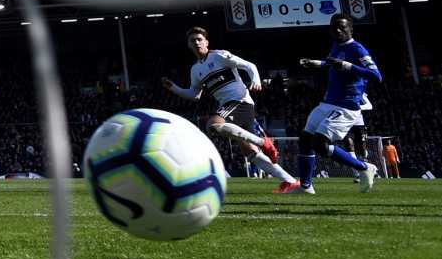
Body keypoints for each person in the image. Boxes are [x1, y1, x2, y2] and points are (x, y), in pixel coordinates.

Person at [160, 26, 300, 193]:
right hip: (230, 105)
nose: (196, 42)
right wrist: (173, 88)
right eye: (193, 40)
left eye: (199, 39)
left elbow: (249, 65)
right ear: (189, 45)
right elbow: (194, 95)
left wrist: (255, 79)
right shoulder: (196, 70)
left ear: (206, 42)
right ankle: (290, 181)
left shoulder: (219, 55)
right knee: (249, 151)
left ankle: (264, 142)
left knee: (213, 124)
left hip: (240, 101)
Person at [288, 14, 381, 194]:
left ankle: (364, 167)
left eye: (342, 27)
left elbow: (376, 76)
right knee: (305, 140)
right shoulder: (337, 46)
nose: (338, 31)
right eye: (334, 28)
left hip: (346, 106)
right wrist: (317, 63)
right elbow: (333, 64)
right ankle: (306, 186)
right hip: (327, 103)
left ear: (351, 29)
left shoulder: (358, 49)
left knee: (320, 144)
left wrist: (346, 65)